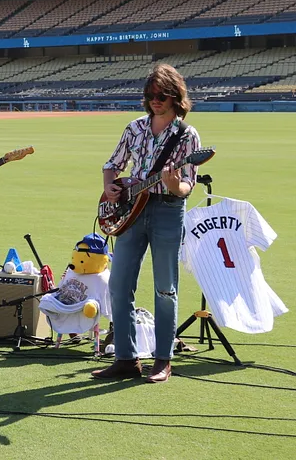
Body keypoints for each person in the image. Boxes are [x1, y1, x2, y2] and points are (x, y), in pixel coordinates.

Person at [93, 63, 201, 384]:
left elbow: (186, 186)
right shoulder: (134, 128)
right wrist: (110, 185)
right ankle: (125, 358)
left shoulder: (187, 135)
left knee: (165, 287)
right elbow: (112, 165)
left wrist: (172, 184)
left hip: (168, 209)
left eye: (163, 95)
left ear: (175, 97)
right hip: (131, 210)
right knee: (119, 284)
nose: (156, 100)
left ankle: (162, 359)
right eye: (152, 94)